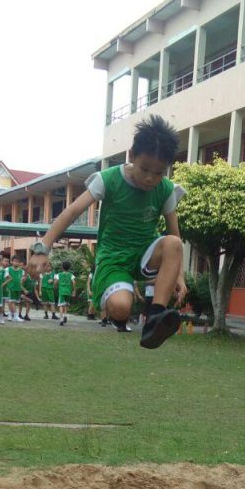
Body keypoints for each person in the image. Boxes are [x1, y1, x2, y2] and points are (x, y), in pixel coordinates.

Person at [27, 114, 186, 349]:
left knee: (173, 243)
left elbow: (175, 234)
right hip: (113, 259)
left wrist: (178, 276)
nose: (151, 178)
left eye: (160, 172)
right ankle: (117, 300)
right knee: (121, 308)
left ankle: (155, 317)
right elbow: (71, 212)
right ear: (131, 155)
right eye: (145, 169)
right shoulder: (108, 180)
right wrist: (42, 249)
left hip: (145, 253)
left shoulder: (165, 189)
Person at [55, 260, 76, 327]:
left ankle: (61, 320)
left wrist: (55, 285)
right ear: (69, 268)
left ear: (62, 267)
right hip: (68, 291)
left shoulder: (59, 274)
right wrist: (74, 290)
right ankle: (65, 315)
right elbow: (74, 282)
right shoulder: (71, 275)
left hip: (61, 291)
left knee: (61, 305)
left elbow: (56, 282)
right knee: (66, 304)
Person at [5, 255, 24, 322]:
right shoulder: (8, 269)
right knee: (12, 301)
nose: (16, 263)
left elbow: (22, 279)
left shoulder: (21, 271)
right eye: (15, 261)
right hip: (10, 288)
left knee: (13, 302)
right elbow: (6, 277)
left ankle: (10, 315)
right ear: (12, 262)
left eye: (18, 262)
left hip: (18, 288)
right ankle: (15, 316)